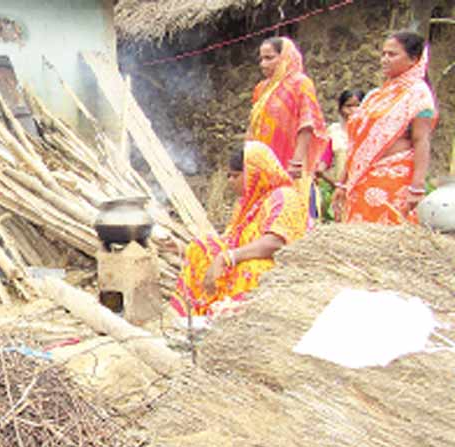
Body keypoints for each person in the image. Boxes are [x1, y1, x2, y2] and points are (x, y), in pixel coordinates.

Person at [172, 142, 308, 318]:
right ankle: (196, 315)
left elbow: (276, 242)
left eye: (235, 176)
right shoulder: (247, 203)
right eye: (228, 176)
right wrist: (179, 247)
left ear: (254, 173)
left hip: (275, 264)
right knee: (201, 247)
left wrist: (228, 257)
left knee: (250, 269)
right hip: (241, 257)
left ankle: (230, 319)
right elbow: (230, 239)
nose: (230, 182)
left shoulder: (284, 197)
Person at [335, 31, 437, 224]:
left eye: (392, 54)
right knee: (357, 242)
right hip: (361, 181)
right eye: (383, 54)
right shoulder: (376, 95)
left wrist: (417, 186)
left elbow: (421, 140)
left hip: (393, 181)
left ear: (413, 59)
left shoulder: (418, 95)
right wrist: (342, 182)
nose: (384, 59)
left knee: (385, 242)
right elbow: (357, 144)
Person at [248, 37, 329, 218]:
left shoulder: (300, 83)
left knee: (292, 212)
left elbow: (307, 124)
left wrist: (297, 162)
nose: (263, 64)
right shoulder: (261, 89)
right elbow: (254, 127)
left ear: (285, 57)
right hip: (265, 163)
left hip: (289, 162)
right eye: (261, 59)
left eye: (269, 58)